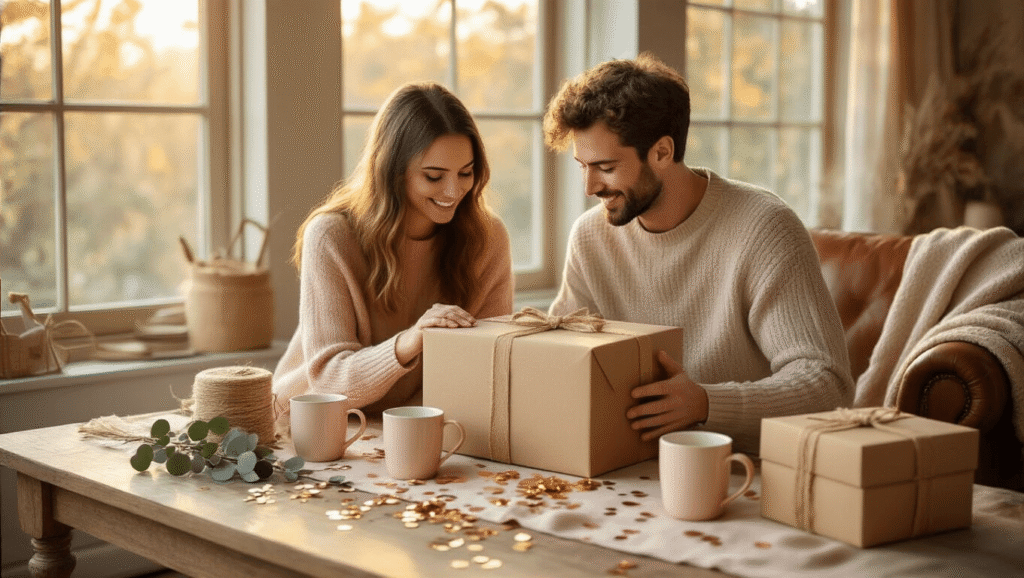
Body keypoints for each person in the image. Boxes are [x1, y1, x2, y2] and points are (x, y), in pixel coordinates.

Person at [543, 54, 853, 454]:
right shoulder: (590, 237)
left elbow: (828, 384)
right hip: (626, 462)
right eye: (581, 166)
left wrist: (706, 403)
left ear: (662, 152)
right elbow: (559, 356)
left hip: (743, 468)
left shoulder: (765, 228)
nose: (589, 187)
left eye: (605, 167)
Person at [273, 82, 514, 432]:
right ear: (392, 171)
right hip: (319, 426)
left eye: (466, 173)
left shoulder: (487, 238)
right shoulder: (331, 236)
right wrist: (411, 340)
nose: (453, 191)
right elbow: (328, 380)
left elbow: (491, 362)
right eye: (434, 176)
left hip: (424, 426)